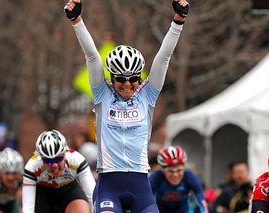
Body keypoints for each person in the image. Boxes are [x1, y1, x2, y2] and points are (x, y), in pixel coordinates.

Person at [64, 0, 189, 211]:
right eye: (121, 78)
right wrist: (77, 21)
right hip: (108, 186)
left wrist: (177, 22)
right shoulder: (102, 94)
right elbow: (92, 56)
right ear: (112, 77)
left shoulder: (147, 96)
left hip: (141, 186)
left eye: (133, 78)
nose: (128, 84)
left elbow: (163, 58)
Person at [22, 129, 95, 213]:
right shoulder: (32, 167)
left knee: (81, 209)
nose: (54, 165)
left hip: (68, 191)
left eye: (58, 159)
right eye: (49, 161)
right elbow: (28, 208)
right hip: (43, 194)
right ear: (41, 159)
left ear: (65, 153)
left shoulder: (77, 160)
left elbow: (92, 197)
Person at [149, 145, 208, 212]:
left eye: (179, 170)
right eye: (170, 171)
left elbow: (202, 201)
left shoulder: (189, 177)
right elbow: (146, 201)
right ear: (163, 170)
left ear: (184, 168)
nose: (175, 175)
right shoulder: (156, 177)